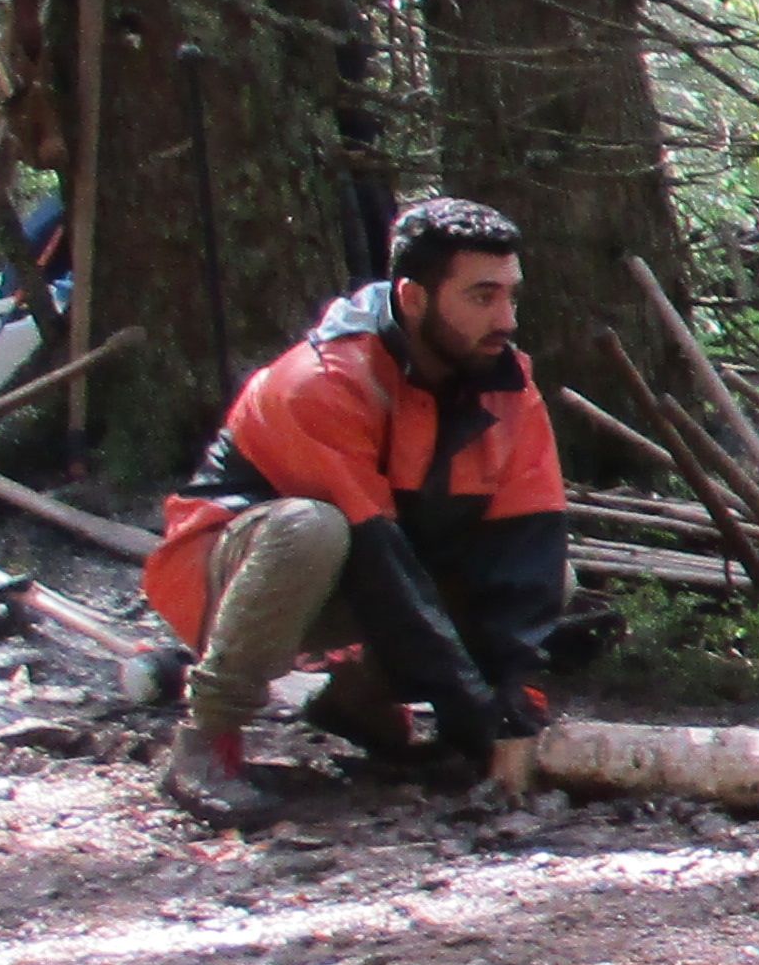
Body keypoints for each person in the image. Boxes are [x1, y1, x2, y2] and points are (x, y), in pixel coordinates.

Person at [144, 198, 566, 823]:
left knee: (555, 581)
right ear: (414, 298)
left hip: (366, 569)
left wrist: (513, 691)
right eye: (482, 297)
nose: (505, 319)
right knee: (314, 529)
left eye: (511, 296)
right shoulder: (322, 381)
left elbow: (527, 540)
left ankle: (359, 703)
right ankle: (205, 746)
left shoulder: (506, 382)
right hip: (230, 578)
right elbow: (376, 557)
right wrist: (468, 707)